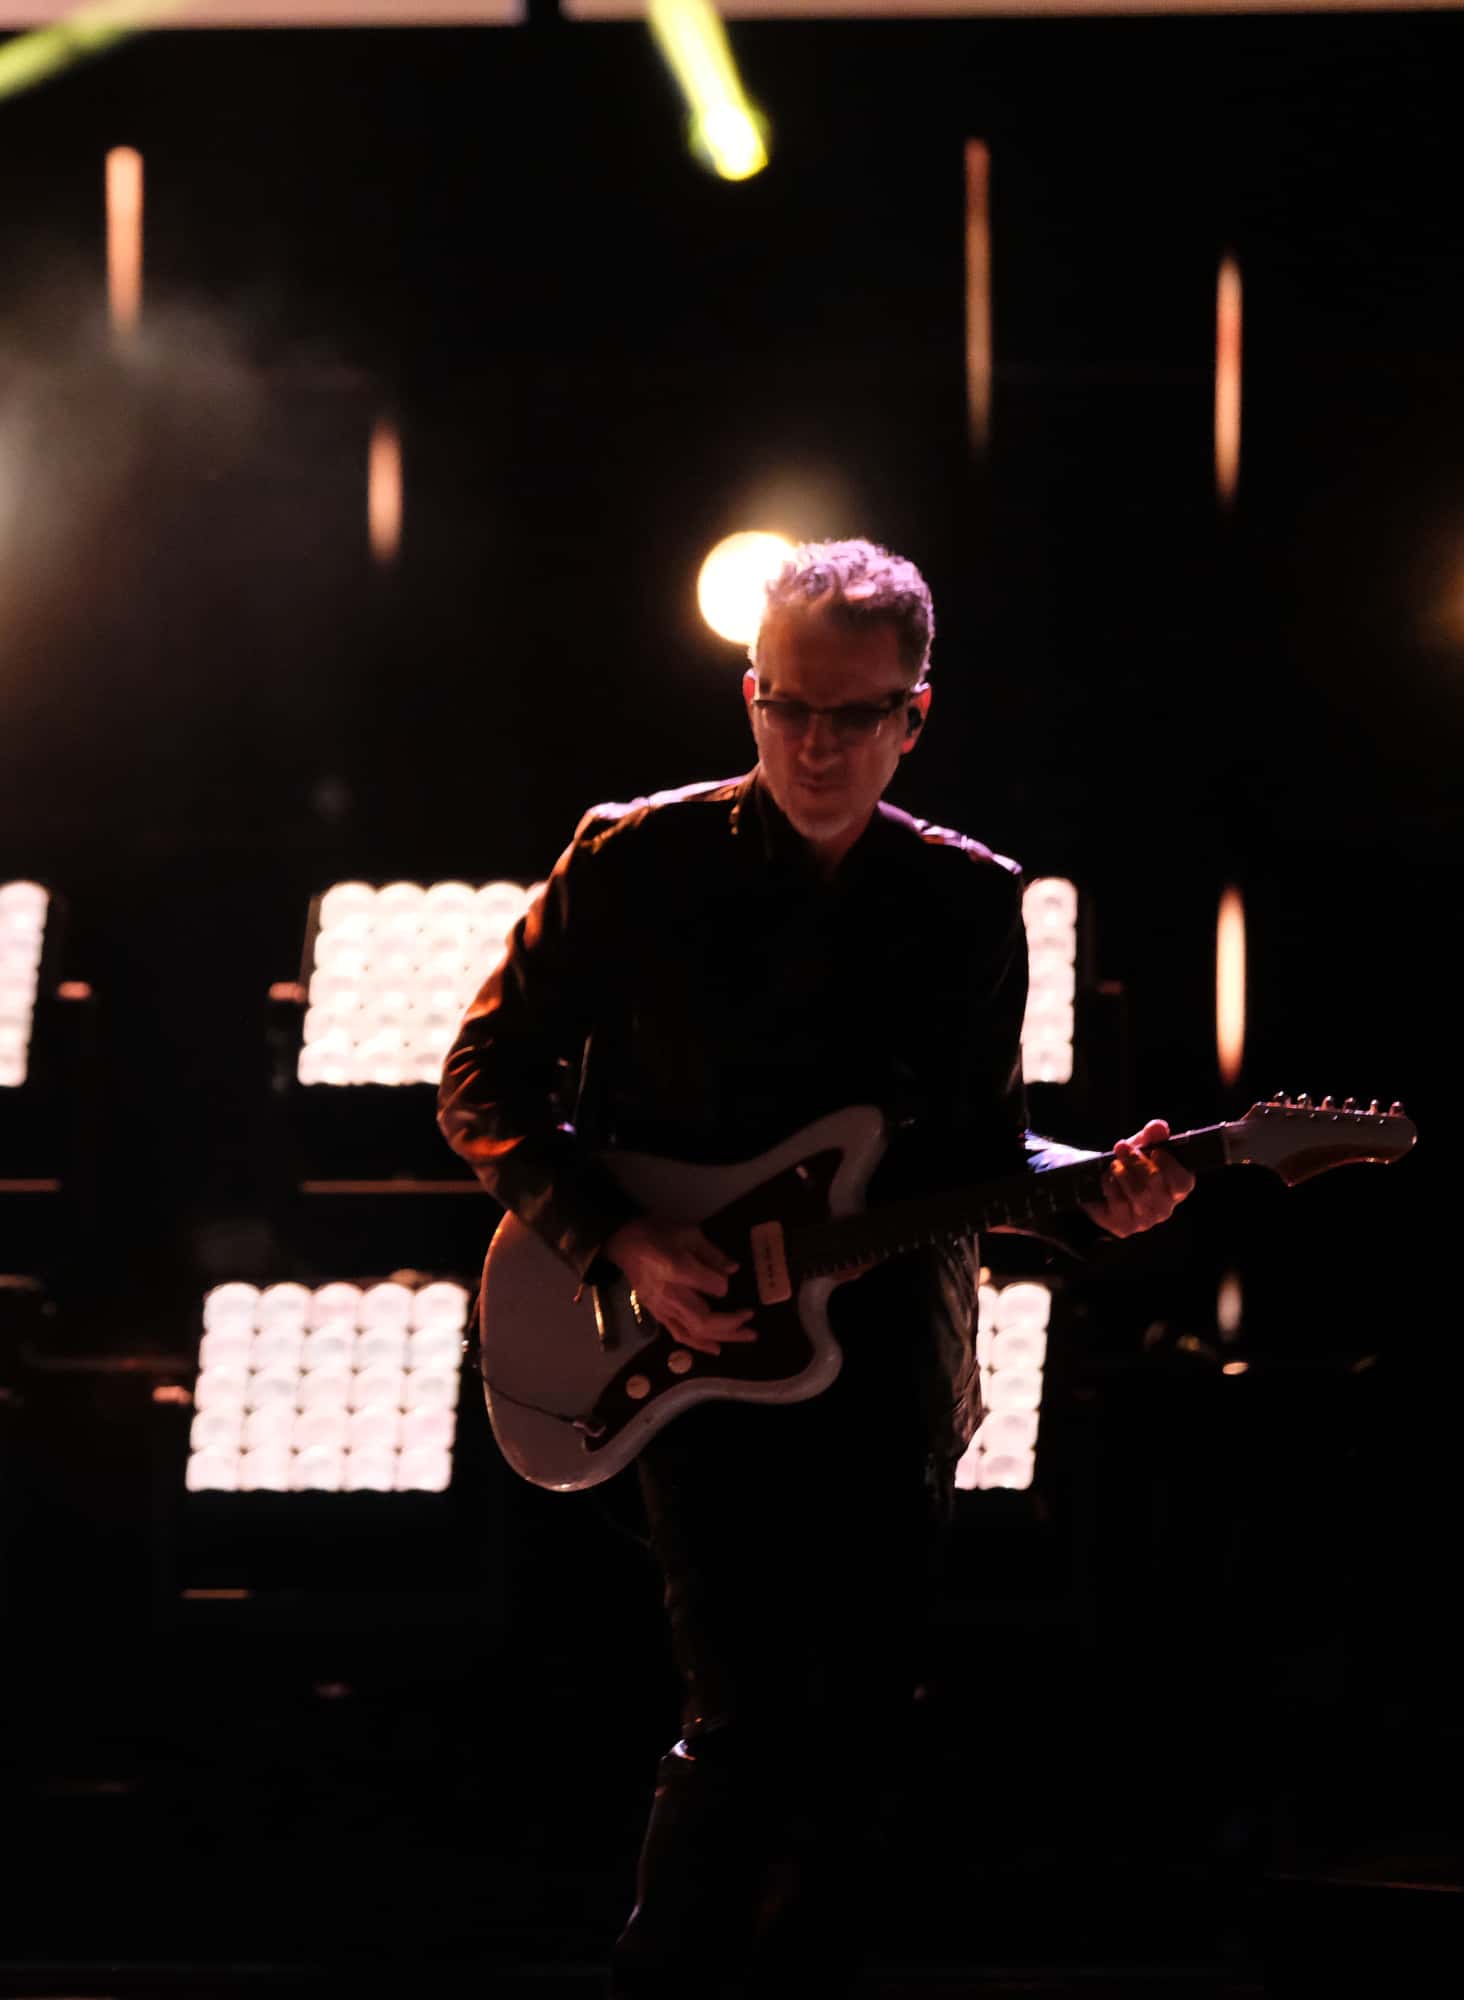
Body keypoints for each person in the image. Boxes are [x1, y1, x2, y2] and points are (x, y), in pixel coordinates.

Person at [438, 539, 1190, 1994]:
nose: (816, 745)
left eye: (854, 716)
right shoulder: (633, 859)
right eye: (788, 708)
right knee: (743, 1722)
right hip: (688, 1351)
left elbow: (976, 1155)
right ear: (749, 696)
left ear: (916, 716)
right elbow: (482, 1080)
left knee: (861, 1748)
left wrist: (1100, 1197)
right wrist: (620, 1236)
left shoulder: (970, 903)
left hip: (890, 1367)